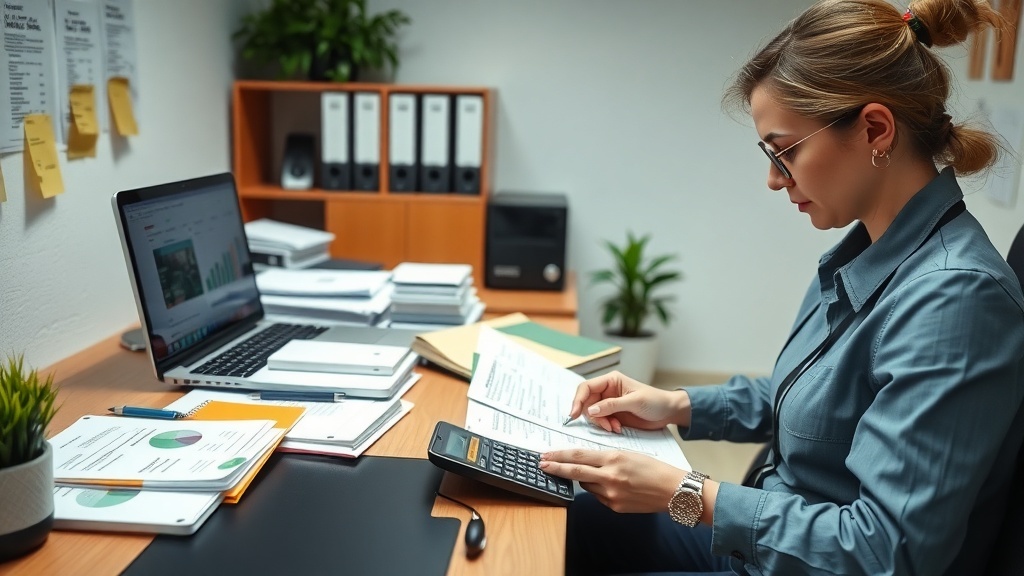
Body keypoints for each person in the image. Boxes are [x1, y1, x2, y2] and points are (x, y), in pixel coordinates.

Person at [537, 1, 1024, 574]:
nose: (774, 179)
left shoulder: (955, 300)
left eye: (785, 151)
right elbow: (817, 402)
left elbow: (885, 551)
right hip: (769, 544)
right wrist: (677, 404)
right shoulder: (871, 252)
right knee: (558, 507)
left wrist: (688, 492)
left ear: (874, 129)